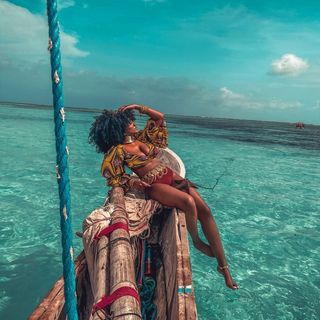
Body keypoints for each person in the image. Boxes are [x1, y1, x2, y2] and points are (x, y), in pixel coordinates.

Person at [89, 104, 238, 290]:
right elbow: (113, 177)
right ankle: (197, 241)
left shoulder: (140, 139)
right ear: (119, 127)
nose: (134, 123)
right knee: (188, 202)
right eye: (129, 121)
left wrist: (138, 106)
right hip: (154, 185)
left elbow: (159, 118)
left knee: (206, 211)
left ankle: (224, 269)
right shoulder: (117, 151)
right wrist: (133, 182)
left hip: (173, 177)